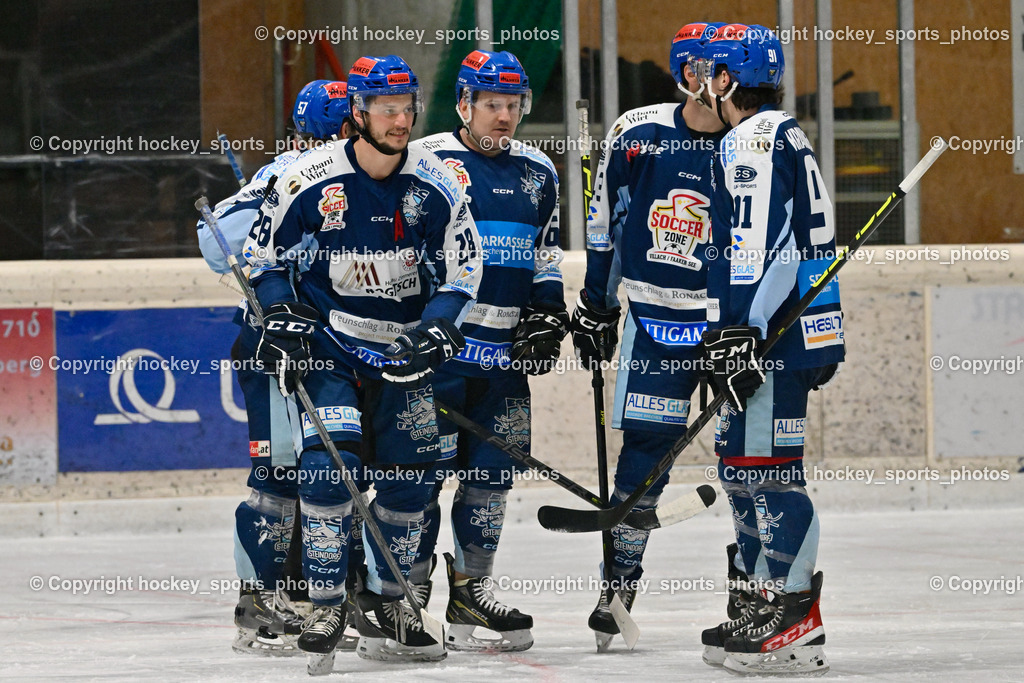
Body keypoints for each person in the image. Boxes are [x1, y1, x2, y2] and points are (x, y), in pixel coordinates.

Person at [242, 54, 482, 665]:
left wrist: (435, 328)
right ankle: (324, 606)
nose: (401, 121)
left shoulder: (440, 181)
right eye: (387, 109)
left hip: (403, 355)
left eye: (407, 108)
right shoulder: (308, 179)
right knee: (328, 471)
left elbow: (466, 268)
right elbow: (260, 255)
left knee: (409, 486)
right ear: (358, 112)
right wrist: (278, 316)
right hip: (333, 347)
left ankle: (391, 603)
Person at [569, 23, 726, 649]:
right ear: (686, 75)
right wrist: (596, 305)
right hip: (657, 320)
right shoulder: (638, 133)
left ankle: (756, 591)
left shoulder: (758, 141)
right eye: (707, 71)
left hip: (732, 328)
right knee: (644, 460)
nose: (719, 85)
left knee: (747, 461)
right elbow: (604, 224)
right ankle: (619, 585)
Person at [696, 24, 843, 675]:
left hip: (775, 335)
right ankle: (765, 600)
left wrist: (740, 331)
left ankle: (796, 616)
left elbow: (763, 246)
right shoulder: (783, 132)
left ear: (727, 79)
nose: (704, 80)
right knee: (744, 465)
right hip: (795, 328)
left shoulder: (752, 139)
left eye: (712, 70)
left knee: (770, 470)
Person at [412, 49, 565, 653]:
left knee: (491, 478)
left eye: (513, 105)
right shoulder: (427, 163)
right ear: (465, 104)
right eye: (492, 105)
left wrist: (547, 312)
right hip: (440, 358)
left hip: (502, 360)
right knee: (416, 477)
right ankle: (405, 594)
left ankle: (471, 590)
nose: (504, 117)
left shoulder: (538, 171)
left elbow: (544, 253)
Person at [196, 79, 354, 656]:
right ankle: (258, 597)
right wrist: (269, 195)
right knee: (279, 472)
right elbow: (213, 244)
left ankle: (321, 592)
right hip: (274, 345)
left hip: (338, 347)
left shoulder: (367, 175)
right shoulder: (283, 176)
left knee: (335, 466)